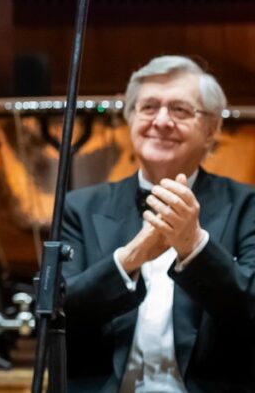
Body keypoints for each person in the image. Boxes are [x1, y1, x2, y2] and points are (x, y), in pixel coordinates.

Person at [63, 56, 255, 392]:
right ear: (131, 119)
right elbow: (58, 314)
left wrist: (194, 244)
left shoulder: (247, 205)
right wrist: (131, 258)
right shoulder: (78, 207)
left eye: (180, 110)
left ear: (211, 129)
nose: (162, 121)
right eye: (149, 107)